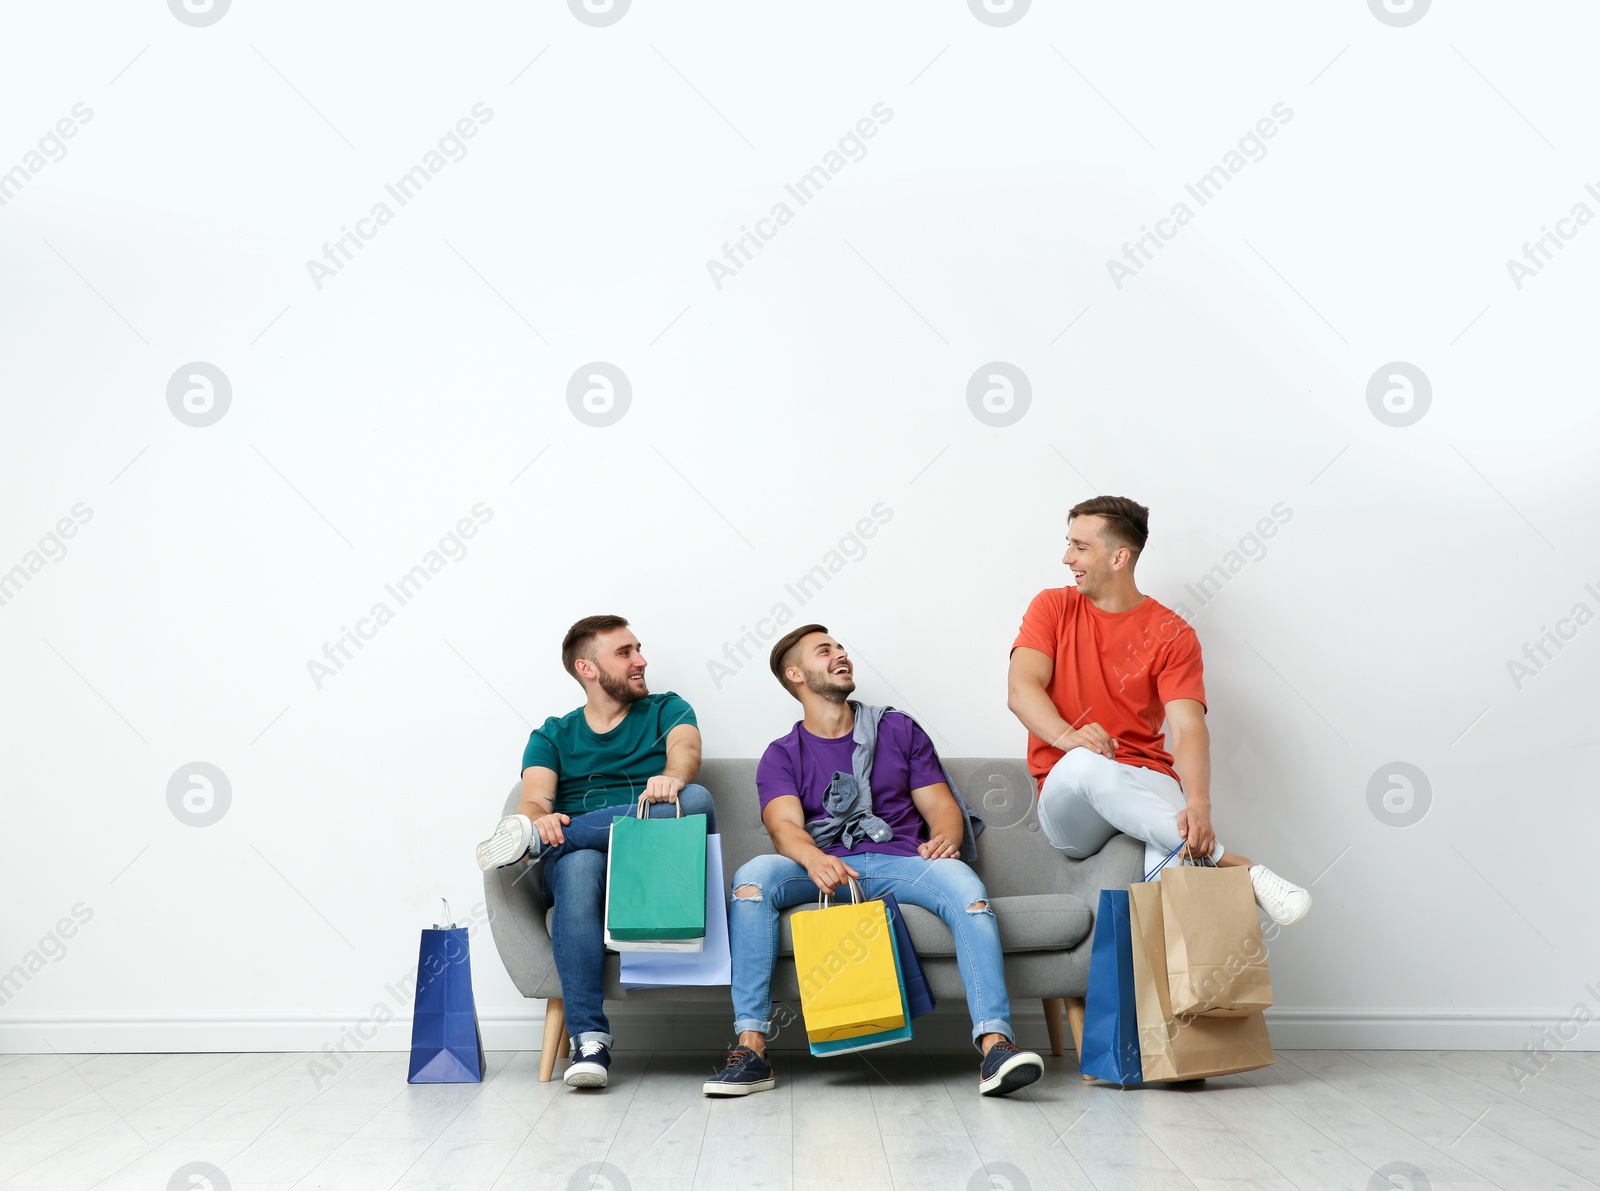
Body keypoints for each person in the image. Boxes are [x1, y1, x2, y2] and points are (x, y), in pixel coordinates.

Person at [704, 624, 1045, 1098]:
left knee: (967, 890)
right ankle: (752, 1051)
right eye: (826, 651)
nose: (841, 655)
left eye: (841, 647)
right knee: (752, 880)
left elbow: (942, 808)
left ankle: (995, 1047)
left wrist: (945, 839)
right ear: (795, 673)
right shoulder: (781, 754)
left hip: (898, 860)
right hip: (823, 867)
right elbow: (785, 828)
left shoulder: (896, 729)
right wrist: (813, 858)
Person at [1006, 495, 1311, 925]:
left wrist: (1199, 804)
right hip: (1070, 799)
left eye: (1080, 547)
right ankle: (1237, 866)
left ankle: (1171, 992)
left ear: (1119, 557)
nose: (1066, 557)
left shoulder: (1173, 634)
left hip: (1144, 777)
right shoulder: (1053, 607)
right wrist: (1069, 737)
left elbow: (1188, 728)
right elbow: (1021, 689)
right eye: (1069, 544)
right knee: (1087, 765)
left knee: (1174, 854)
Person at [475, 614, 716, 1090]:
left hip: (654, 855)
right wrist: (537, 817)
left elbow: (685, 751)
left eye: (638, 649)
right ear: (587, 668)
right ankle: (589, 1041)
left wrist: (674, 775)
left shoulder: (668, 708)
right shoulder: (553, 735)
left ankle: (541, 843)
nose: (641, 660)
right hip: (579, 870)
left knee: (697, 800)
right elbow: (536, 799)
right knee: (583, 864)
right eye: (625, 653)